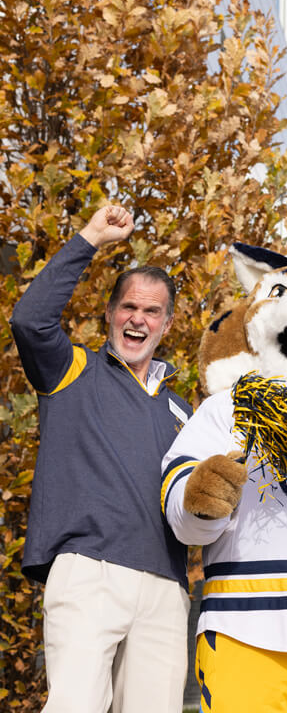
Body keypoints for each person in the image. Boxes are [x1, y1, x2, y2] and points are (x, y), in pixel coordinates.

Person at [10, 205, 192, 712]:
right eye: (129, 307)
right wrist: (92, 237)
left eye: (152, 311)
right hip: (89, 574)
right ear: (111, 313)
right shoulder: (73, 370)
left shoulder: (185, 411)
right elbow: (28, 320)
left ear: (167, 323)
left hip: (166, 587)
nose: (138, 319)